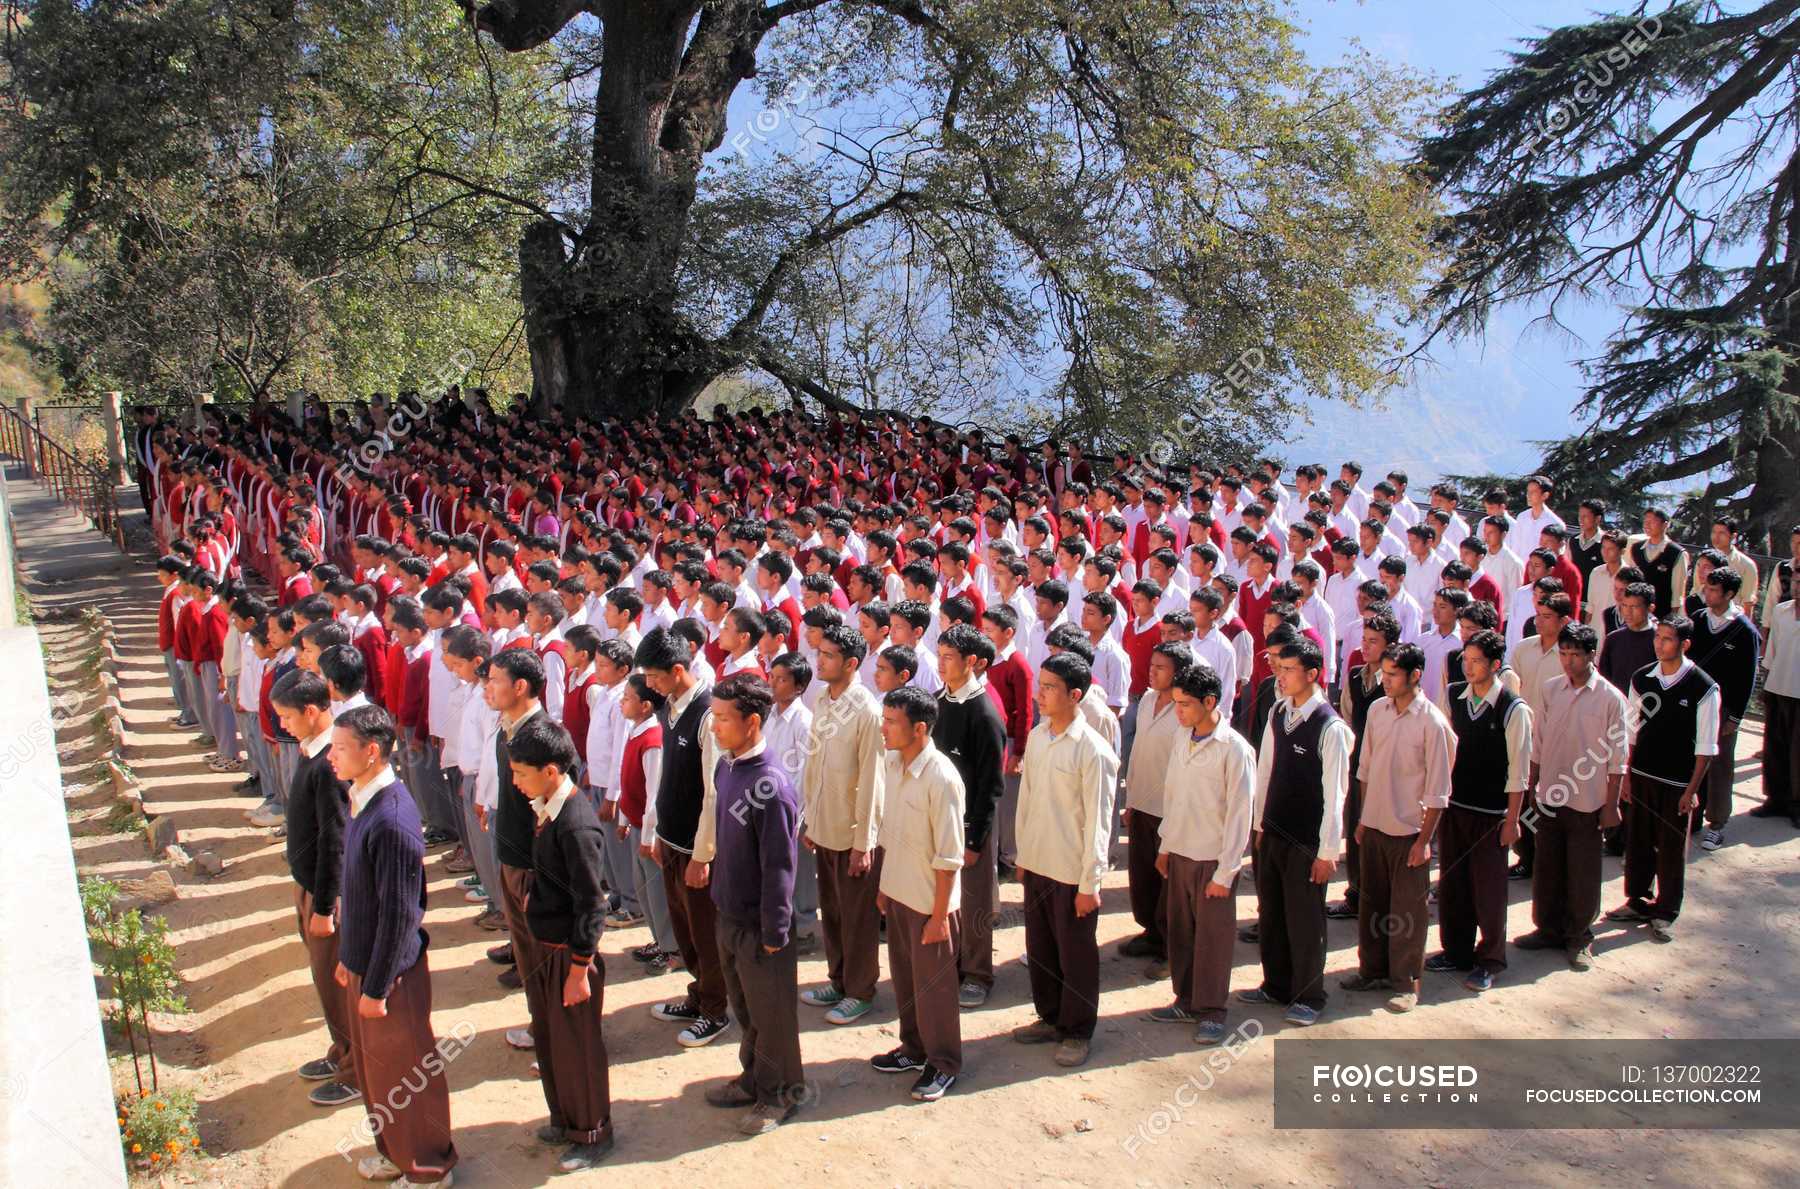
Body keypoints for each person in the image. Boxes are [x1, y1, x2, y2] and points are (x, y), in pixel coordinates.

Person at [327, 705, 457, 1187]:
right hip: (367, 965)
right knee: (379, 1075)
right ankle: (396, 1152)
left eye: (341, 749)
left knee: (406, 1076)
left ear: (372, 751)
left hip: (392, 975)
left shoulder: (393, 819)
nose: (332, 758)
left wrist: (377, 986)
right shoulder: (363, 796)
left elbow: (400, 916)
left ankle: (428, 1166)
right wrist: (348, 960)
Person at [506, 717, 615, 1171]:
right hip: (546, 952)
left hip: (570, 959)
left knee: (578, 1049)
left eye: (521, 773)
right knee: (552, 1042)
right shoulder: (547, 807)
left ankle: (592, 1132)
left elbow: (592, 904)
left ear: (550, 771)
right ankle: (564, 1118)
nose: (515, 782)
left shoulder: (575, 825)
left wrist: (578, 970)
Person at [701, 673, 807, 1136]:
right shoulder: (727, 767)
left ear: (752, 722)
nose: (715, 727)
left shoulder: (772, 786)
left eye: (723, 719)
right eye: (714, 717)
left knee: (772, 1016)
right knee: (745, 1010)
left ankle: (780, 1093)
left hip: (761, 928)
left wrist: (774, 932)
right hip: (729, 915)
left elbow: (780, 869)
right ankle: (753, 1078)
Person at [1011, 652, 1119, 1067]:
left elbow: (1098, 822)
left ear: (1075, 695)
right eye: (1041, 685)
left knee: (1075, 952)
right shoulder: (1039, 737)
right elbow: (1028, 799)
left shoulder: (1093, 750)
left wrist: (1090, 883)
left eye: (1050, 688)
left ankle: (1076, 1030)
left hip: (1072, 871)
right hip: (1039, 861)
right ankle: (1049, 1015)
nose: (1040, 694)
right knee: (1040, 946)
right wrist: (1023, 852)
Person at [1240, 639, 1353, 1027]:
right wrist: (1259, 824)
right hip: (1273, 830)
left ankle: (1310, 994)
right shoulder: (1276, 712)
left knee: (1304, 917)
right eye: (1279, 667)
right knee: (1272, 911)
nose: (1281, 675)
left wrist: (1327, 851)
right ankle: (1276, 983)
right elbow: (1266, 769)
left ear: (1312, 675)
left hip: (1306, 839)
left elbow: (1336, 793)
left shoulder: (1330, 726)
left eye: (1289, 669)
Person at [1339, 644, 1452, 1013]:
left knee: (1407, 912)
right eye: (1383, 674)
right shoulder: (1376, 710)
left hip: (1408, 833)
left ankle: (1406, 982)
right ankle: (1372, 969)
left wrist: (1424, 840)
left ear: (1415, 675)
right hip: (1373, 826)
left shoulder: (1431, 722)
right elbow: (1365, 768)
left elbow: (1438, 789)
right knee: (1372, 903)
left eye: (1392, 675)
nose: (1384, 681)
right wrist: (1361, 820)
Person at [633, 627, 732, 1048]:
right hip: (671, 842)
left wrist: (703, 854)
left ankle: (716, 1010)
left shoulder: (708, 715)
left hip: (695, 849)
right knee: (685, 930)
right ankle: (698, 994)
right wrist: (657, 833)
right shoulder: (672, 708)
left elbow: (713, 791)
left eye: (655, 677)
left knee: (705, 934)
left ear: (677, 670)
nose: (650, 686)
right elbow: (666, 782)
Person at [1146, 664, 1255, 1045]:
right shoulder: (1182, 737)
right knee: (1181, 930)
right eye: (1176, 703)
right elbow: (1172, 793)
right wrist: (1165, 845)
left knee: (1213, 937)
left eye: (1186, 705)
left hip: (1212, 858)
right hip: (1180, 851)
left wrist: (1226, 872)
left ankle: (1211, 1009)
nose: (1178, 711)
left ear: (1210, 702)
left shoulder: (1235, 749)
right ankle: (1185, 998)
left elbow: (1240, 814)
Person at [267, 670, 359, 1108]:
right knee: (324, 983)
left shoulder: (330, 765)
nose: (282, 726)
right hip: (309, 885)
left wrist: (324, 907)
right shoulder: (312, 751)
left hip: (327, 896)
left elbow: (335, 840)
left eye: (286, 717)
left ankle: (355, 1069)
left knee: (338, 985)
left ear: (311, 711)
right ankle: (340, 1051)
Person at [872, 686, 966, 1101]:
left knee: (936, 990)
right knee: (907, 981)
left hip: (931, 903)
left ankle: (943, 1063)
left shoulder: (941, 778)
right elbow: (889, 831)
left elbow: (949, 856)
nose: (884, 729)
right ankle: (913, 1048)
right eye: (884, 719)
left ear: (920, 728)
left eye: (892, 722)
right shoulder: (893, 764)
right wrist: (884, 887)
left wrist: (940, 915)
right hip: (899, 893)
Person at [1518, 623, 1626, 970]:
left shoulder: (1611, 699)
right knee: (1547, 864)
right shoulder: (1551, 690)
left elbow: (1617, 759)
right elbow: (1538, 742)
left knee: (1582, 870)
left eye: (1575, 654)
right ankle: (1547, 928)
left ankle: (1579, 935)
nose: (1568, 661)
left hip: (1587, 799)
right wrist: (1532, 786)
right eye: (1563, 654)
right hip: (1550, 792)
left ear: (1591, 655)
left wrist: (1611, 805)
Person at [1429, 630, 1532, 991]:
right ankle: (1455, 950)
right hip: (1455, 806)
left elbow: (1520, 770)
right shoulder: (1454, 696)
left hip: (1492, 813)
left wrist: (1512, 819)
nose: (1469, 668)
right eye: (1466, 660)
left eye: (1477, 661)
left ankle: (1490, 958)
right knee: (1454, 883)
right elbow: (1441, 751)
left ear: (1494, 665)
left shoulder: (1513, 708)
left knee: (1487, 889)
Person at [1609, 616, 1720, 942]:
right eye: (1658, 637)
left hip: (1677, 784)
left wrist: (1692, 789)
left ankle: (1666, 909)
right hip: (1642, 774)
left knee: (1671, 849)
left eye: (1668, 639)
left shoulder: (1704, 687)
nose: (1659, 644)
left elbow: (1706, 746)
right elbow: (1630, 730)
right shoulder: (1642, 678)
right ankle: (1637, 900)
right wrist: (1626, 775)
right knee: (1639, 841)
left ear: (1684, 645)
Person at [798, 622, 888, 1025]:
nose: (820, 659)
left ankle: (861, 989)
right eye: (821, 653)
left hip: (852, 832)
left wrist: (864, 842)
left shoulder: (867, 710)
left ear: (852, 663)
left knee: (857, 917)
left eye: (829, 656)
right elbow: (814, 762)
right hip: (825, 824)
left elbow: (873, 779)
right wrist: (808, 818)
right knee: (831, 912)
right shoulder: (821, 699)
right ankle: (837, 979)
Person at [932, 625, 1008, 1008]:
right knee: (944, 895)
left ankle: (978, 973)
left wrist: (976, 838)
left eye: (949, 657)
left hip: (970, 823)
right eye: (940, 655)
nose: (941, 664)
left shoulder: (984, 714)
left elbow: (992, 785)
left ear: (973, 663)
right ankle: (951, 962)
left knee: (974, 900)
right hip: (938, 819)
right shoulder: (938, 702)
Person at [1120, 643, 1192, 976]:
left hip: (1169, 810)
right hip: (1142, 804)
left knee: (1168, 884)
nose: (1152, 671)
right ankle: (1150, 931)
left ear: (1178, 673)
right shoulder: (1147, 700)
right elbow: (1136, 753)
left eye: (1161, 667)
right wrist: (1130, 800)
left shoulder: (1184, 710)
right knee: (1143, 876)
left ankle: (1169, 948)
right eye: (1151, 665)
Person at [1688, 568, 1760, 851]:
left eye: (1715, 589)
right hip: (1692, 706)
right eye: (1707, 587)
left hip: (1724, 710)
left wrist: (1735, 716)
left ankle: (1717, 824)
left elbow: (1747, 677)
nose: (1708, 592)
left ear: (1730, 594)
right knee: (1692, 761)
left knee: (1719, 766)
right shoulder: (1697, 620)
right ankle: (1691, 816)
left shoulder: (1744, 630)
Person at [1755, 555, 1800, 824]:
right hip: (1778, 688)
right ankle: (1775, 798)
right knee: (1775, 747)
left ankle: (1797, 805)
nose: (1798, 587)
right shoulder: (1782, 612)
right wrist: (1765, 686)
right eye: (1796, 582)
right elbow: (1771, 653)